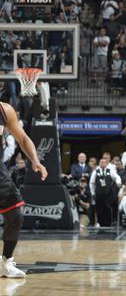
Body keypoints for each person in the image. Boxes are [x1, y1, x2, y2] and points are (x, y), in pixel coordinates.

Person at [0, 102, 48, 278]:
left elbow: (23, 139)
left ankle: (6, 262)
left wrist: (35, 161)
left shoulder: (4, 110)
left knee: (15, 214)